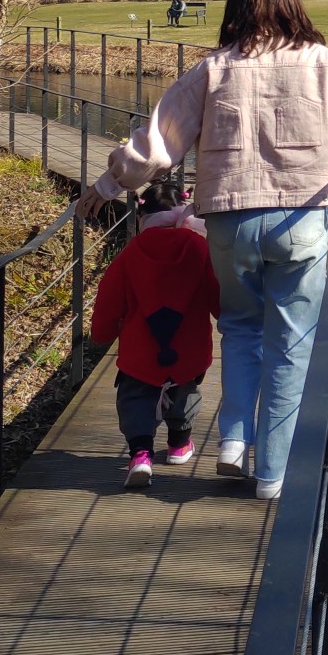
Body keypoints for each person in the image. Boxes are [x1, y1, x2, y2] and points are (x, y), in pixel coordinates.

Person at [81, 0, 328, 499]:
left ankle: (231, 440)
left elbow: (156, 146)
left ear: (235, 8)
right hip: (300, 217)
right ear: (291, 4)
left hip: (227, 222)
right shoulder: (320, 63)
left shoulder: (213, 70)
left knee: (242, 329)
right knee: (291, 344)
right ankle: (271, 473)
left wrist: (107, 187)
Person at [87, 189, 220, 488]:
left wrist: (101, 334)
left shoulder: (131, 252)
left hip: (141, 351)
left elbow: (109, 300)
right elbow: (218, 296)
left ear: (141, 217)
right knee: (185, 394)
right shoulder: (199, 249)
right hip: (190, 349)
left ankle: (141, 455)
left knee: (135, 399)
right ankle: (178, 445)